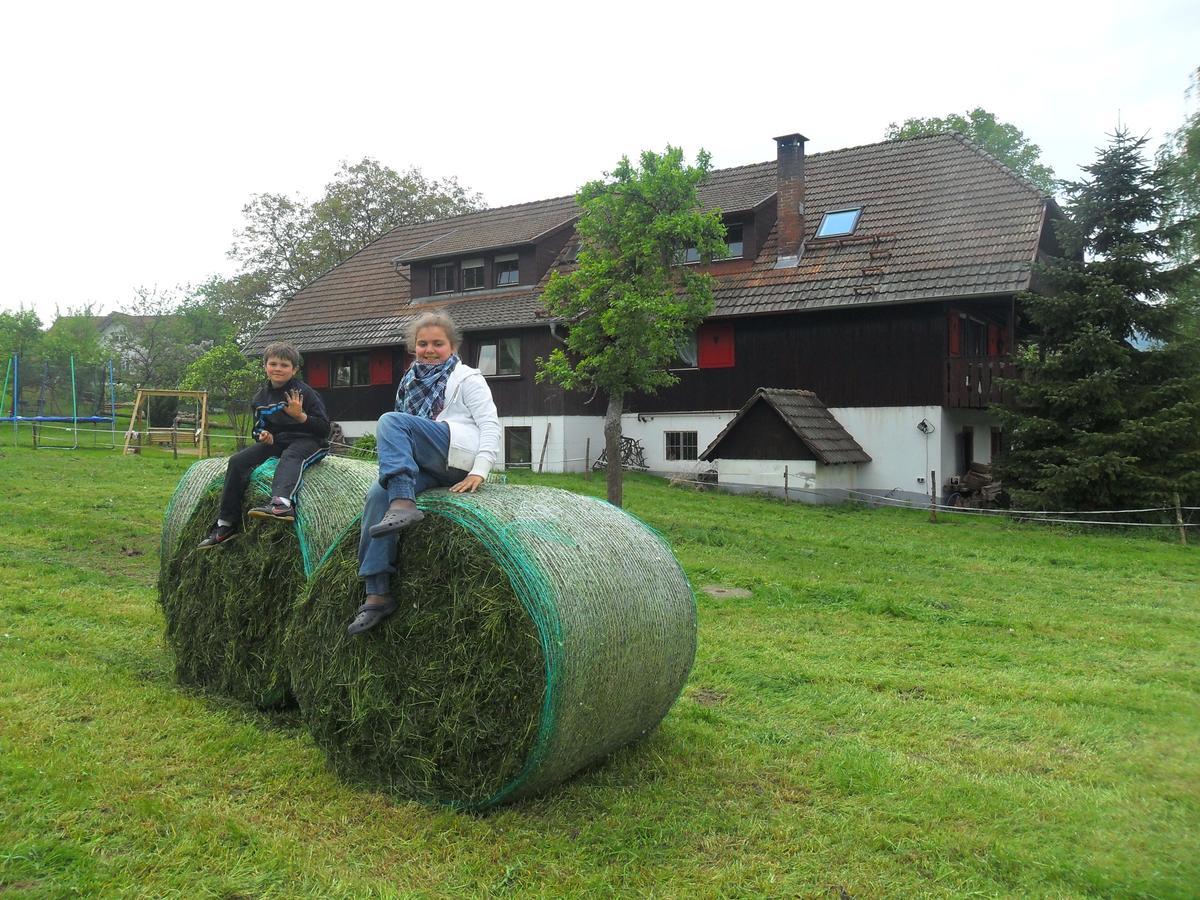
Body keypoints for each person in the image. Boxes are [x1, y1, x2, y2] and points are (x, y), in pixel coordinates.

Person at [349, 311, 500, 635]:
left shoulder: (468, 378)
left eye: (437, 344)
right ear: (413, 347)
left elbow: (490, 423)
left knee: (390, 421)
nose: (429, 350)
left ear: (452, 346)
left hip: (457, 454)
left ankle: (403, 502)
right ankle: (377, 593)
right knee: (377, 493)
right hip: (429, 465)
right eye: (422, 344)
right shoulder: (409, 382)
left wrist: (480, 470)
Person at [197, 341, 331, 548]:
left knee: (291, 457)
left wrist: (301, 416)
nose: (278, 369)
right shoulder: (260, 398)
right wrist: (263, 436)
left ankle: (282, 503)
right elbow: (257, 429)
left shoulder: (304, 393)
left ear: (294, 369)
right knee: (237, 461)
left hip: (310, 440)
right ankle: (226, 524)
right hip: (279, 440)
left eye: (284, 365)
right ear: (265, 366)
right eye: (273, 364)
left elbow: (324, 428)